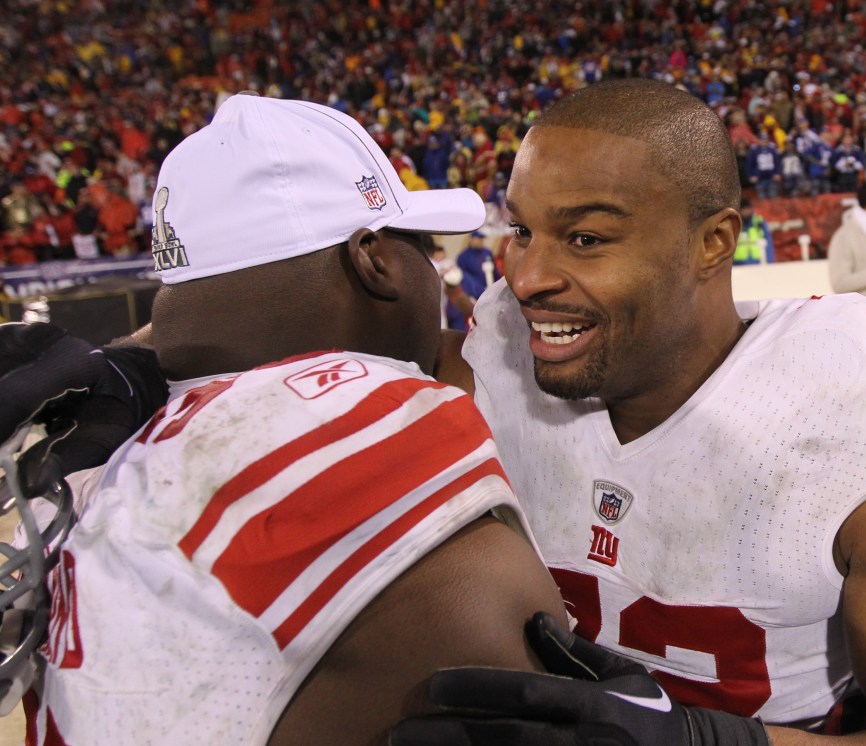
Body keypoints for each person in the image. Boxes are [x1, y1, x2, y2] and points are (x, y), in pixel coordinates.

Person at [0, 82, 866, 745]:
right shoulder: (495, 357)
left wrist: (716, 742)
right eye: (520, 231)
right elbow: (301, 334)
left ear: (714, 242)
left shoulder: (845, 393)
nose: (526, 276)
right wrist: (138, 369)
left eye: (585, 238)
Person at [2, 93, 569, 745]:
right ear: (372, 258)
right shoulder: (372, 415)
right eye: (420, 245)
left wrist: (139, 359)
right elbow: (528, 679)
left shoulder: (89, 462)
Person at [455, 229, 501, 302]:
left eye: (481, 238)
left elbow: (495, 272)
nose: (480, 241)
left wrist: (499, 287)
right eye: (478, 238)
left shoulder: (487, 252)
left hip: (490, 291)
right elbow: (463, 278)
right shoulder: (463, 257)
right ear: (471, 239)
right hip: (473, 296)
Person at [732, 198, 774, 265]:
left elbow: (768, 243)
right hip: (738, 264)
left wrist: (770, 262)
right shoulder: (735, 225)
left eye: (747, 209)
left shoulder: (759, 223)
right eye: (743, 210)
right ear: (739, 211)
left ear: (751, 209)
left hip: (757, 263)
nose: (746, 212)